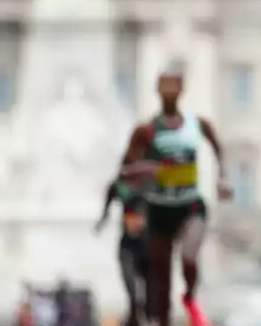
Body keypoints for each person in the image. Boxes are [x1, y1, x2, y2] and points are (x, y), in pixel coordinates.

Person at [120, 65, 231, 326]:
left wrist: (223, 178)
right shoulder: (146, 131)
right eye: (164, 85)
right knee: (160, 277)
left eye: (174, 84)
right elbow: (125, 171)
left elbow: (218, 149)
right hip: (159, 209)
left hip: (190, 205)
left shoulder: (198, 124)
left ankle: (190, 294)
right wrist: (147, 169)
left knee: (189, 256)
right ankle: (162, 319)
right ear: (158, 90)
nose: (169, 90)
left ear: (181, 89)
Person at [96, 174, 149, 326]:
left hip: (146, 247)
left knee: (146, 291)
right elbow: (112, 190)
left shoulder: (151, 188)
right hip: (128, 246)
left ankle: (143, 314)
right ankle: (134, 315)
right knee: (133, 290)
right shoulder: (124, 188)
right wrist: (104, 216)